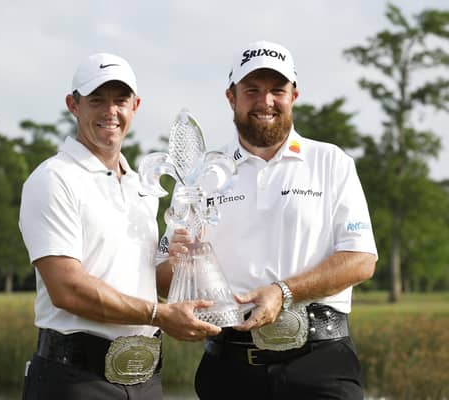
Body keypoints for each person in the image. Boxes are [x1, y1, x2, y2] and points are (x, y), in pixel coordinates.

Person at [156, 41, 378, 399]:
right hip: (228, 366)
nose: (266, 101)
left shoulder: (331, 163)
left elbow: (361, 260)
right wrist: (183, 267)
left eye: (277, 90)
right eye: (252, 90)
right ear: (231, 96)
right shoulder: (201, 174)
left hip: (320, 362)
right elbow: (164, 273)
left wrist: (283, 292)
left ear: (294, 94)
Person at [18, 52, 221, 400]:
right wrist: (160, 315)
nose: (110, 111)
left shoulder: (141, 186)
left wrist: (183, 262)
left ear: (135, 105)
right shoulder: (53, 179)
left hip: (145, 383)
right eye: (97, 100)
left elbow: (147, 278)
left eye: (120, 100)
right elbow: (67, 288)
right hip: (74, 381)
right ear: (73, 105)